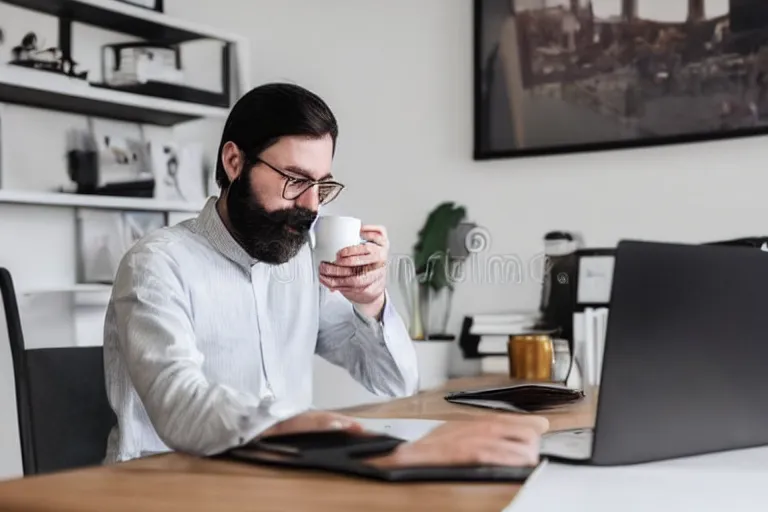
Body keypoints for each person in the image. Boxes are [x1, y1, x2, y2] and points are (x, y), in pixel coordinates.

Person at [102, 82, 548, 468]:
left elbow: (394, 383)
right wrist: (301, 425)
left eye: (321, 185)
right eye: (294, 180)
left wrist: (370, 302)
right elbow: (179, 405)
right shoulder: (157, 265)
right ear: (234, 162)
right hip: (165, 487)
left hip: (279, 482)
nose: (313, 206)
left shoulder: (303, 262)